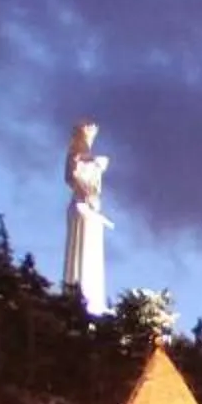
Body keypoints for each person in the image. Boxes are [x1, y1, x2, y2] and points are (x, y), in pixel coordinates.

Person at [61, 121, 110, 306]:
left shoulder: (87, 157)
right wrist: (93, 163)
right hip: (81, 206)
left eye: (91, 138)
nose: (89, 141)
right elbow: (72, 174)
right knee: (79, 250)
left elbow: (93, 184)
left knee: (92, 252)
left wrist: (97, 164)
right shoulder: (74, 156)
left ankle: (92, 303)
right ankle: (75, 299)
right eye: (86, 136)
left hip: (92, 208)